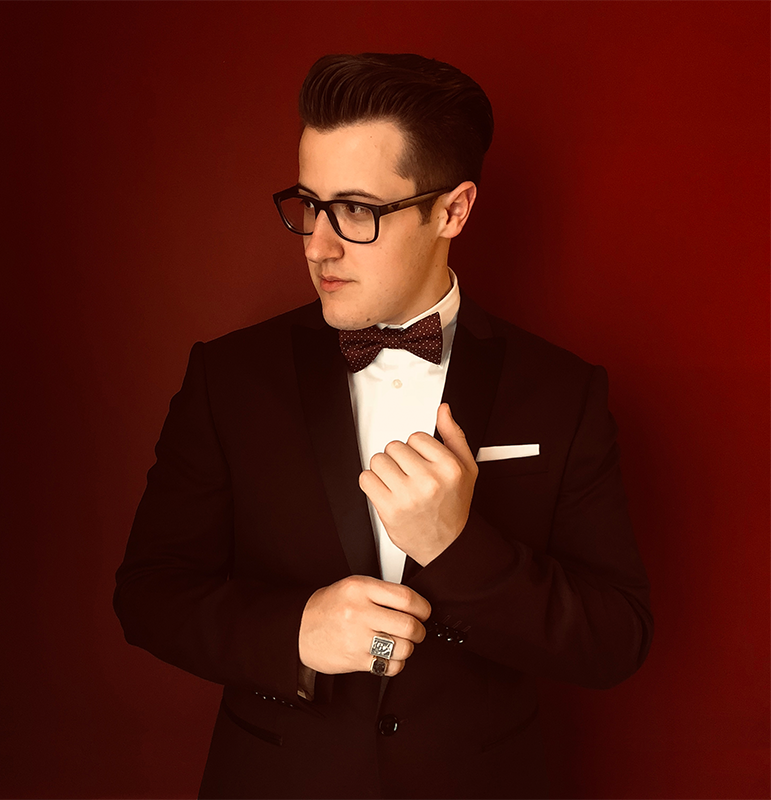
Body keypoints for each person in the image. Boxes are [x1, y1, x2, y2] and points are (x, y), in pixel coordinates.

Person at [114, 52, 653, 800]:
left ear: (453, 211)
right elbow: (149, 594)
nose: (316, 244)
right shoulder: (227, 377)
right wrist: (296, 631)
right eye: (309, 203)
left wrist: (459, 549)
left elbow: (615, 640)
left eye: (358, 210)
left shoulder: (563, 391)